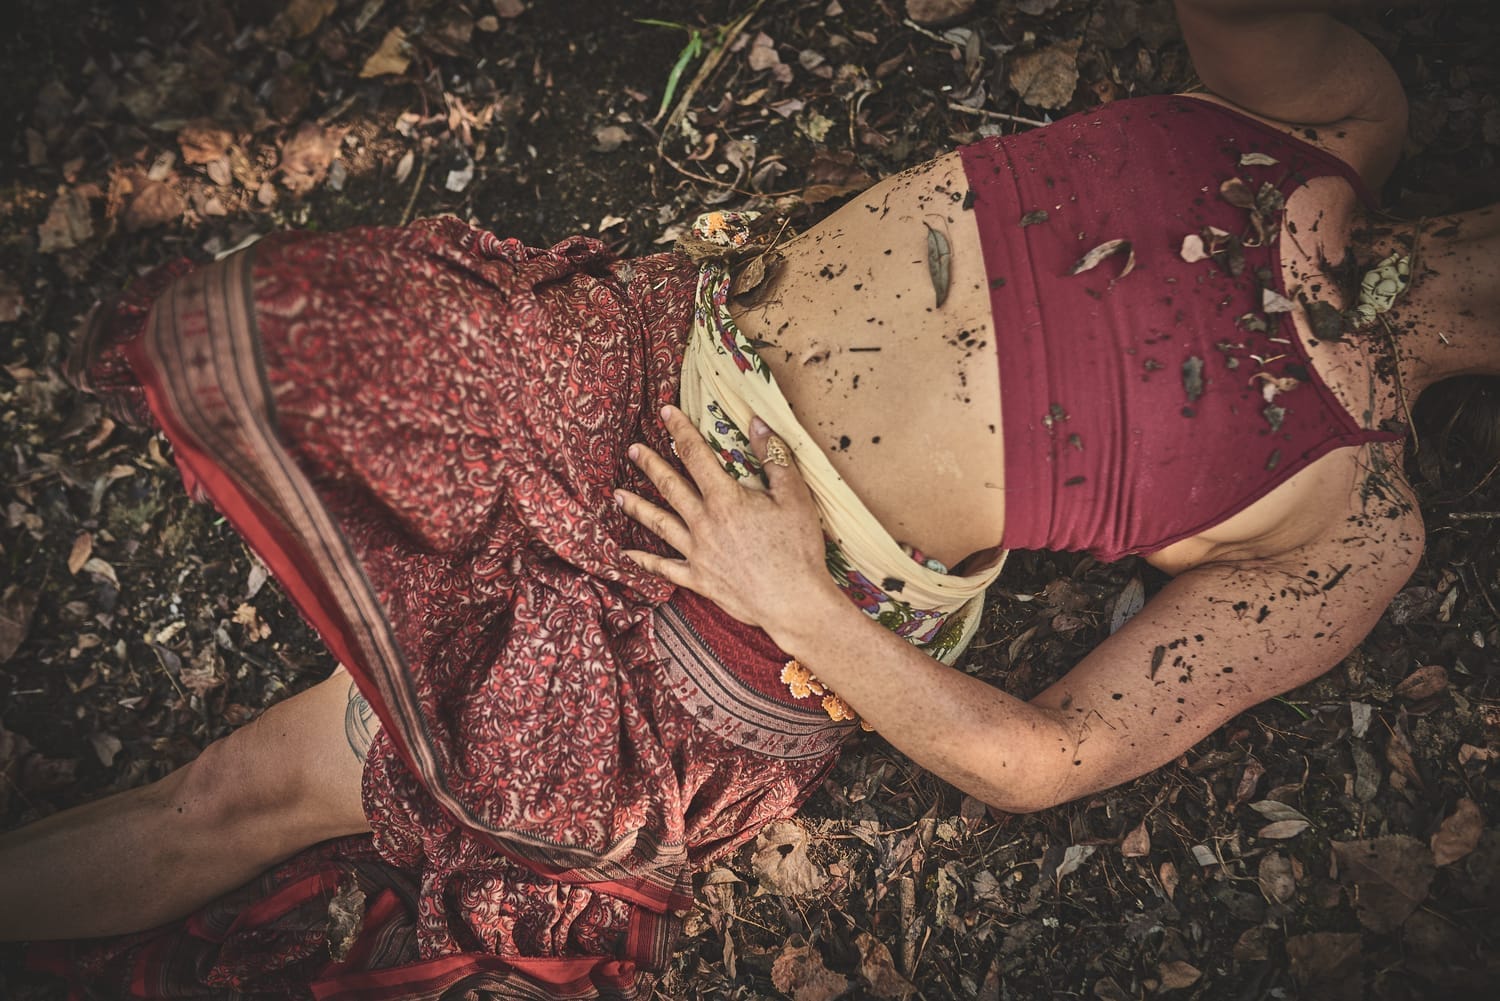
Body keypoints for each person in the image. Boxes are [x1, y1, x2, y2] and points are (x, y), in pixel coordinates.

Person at [1, 0, 1494, 997]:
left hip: (707, 623)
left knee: (233, 796)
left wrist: (788, 593)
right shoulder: (1334, 114)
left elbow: (1055, 758)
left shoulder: (1357, 528)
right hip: (629, 366)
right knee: (260, 337)